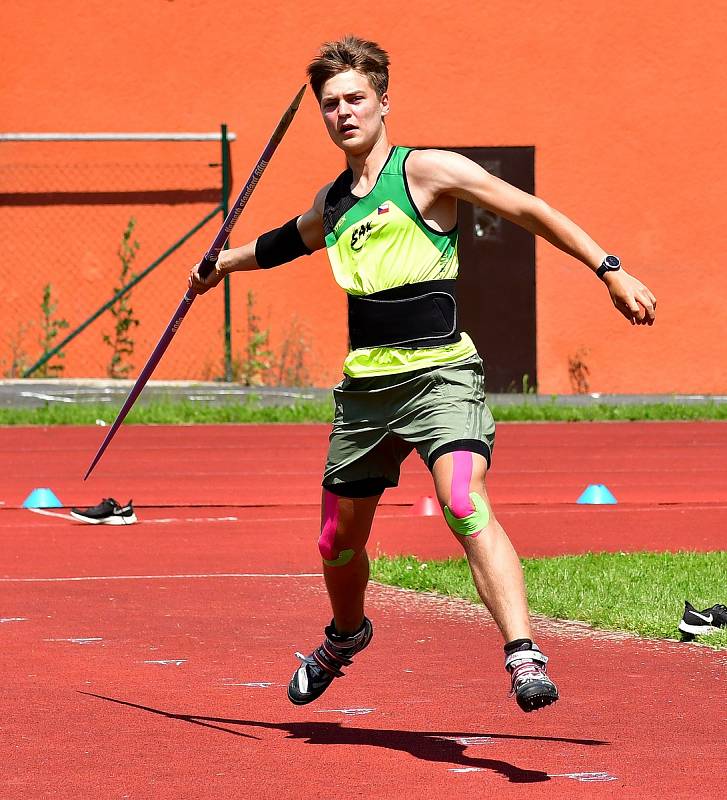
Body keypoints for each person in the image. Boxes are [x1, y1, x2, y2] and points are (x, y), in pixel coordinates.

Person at [189, 35, 656, 713]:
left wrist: (609, 270)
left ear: (383, 101)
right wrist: (218, 265)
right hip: (365, 394)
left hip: (440, 376)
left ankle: (523, 654)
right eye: (330, 104)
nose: (343, 112)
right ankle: (346, 635)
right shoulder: (336, 201)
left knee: (463, 500)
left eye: (355, 98)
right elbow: (286, 241)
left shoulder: (426, 171)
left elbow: (528, 209)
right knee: (334, 540)